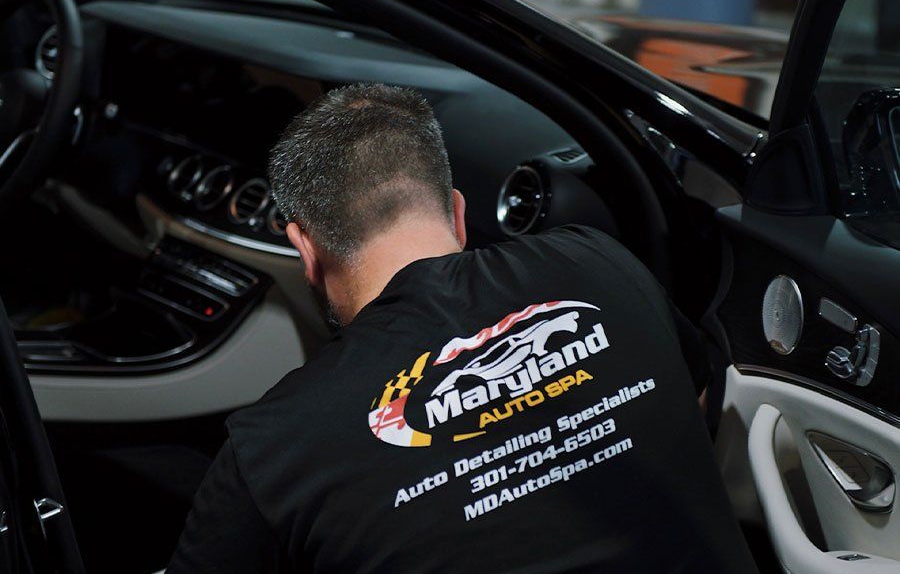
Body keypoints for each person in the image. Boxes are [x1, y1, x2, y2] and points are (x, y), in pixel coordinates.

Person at [168, 83, 757, 573]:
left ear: (305, 249)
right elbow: (697, 397)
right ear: (455, 211)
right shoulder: (600, 263)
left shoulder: (272, 450)